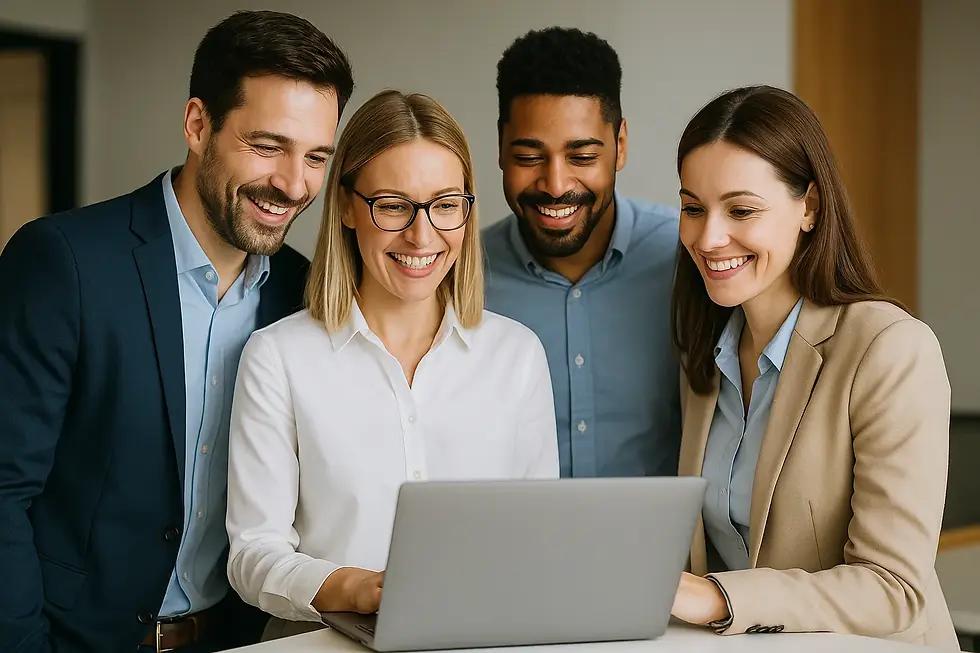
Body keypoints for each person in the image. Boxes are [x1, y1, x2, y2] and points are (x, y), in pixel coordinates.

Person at [0, 10, 354, 653]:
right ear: (198, 125)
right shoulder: (65, 262)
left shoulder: (307, 295)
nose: (293, 184)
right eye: (268, 146)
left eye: (316, 157)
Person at [224, 89, 559, 640]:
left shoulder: (517, 355)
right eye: (394, 205)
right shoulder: (278, 357)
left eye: (445, 205)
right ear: (348, 208)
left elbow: (538, 536)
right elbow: (253, 555)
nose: (422, 235)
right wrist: (351, 588)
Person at [667, 85, 958, 649]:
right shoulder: (706, 353)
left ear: (810, 207)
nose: (708, 237)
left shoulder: (891, 348)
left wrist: (718, 598)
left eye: (742, 209)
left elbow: (893, 587)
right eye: (693, 208)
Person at [482, 27, 681, 479]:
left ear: (621, 144)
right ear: (500, 147)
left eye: (582, 156)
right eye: (530, 156)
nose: (555, 185)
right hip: (515, 547)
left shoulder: (686, 259)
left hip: (660, 548)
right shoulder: (458, 277)